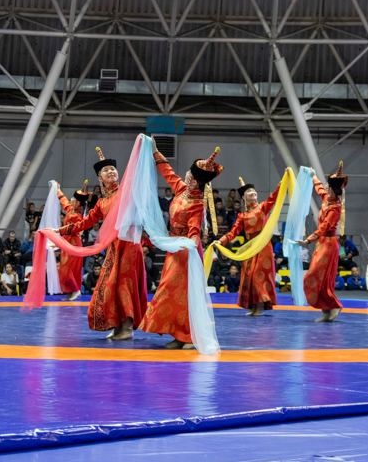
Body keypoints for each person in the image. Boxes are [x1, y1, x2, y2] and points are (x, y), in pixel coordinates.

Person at [138, 144, 222, 350]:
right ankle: (179, 334)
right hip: (174, 249)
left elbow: (194, 228)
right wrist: (155, 152)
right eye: (189, 173)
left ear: (196, 181)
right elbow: (167, 171)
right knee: (174, 293)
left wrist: (193, 241)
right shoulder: (181, 189)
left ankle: (189, 336)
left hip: (186, 251)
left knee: (180, 293)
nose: (187, 176)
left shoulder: (197, 203)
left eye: (191, 176)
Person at [58, 148, 147, 340]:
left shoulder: (126, 191)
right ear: (100, 178)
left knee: (124, 284)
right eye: (106, 170)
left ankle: (127, 327)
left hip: (129, 245)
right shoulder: (101, 203)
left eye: (113, 169)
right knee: (110, 285)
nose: (111, 171)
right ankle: (118, 324)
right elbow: (85, 223)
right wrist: (60, 231)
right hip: (114, 248)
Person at [214, 176, 283, 316]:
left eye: (253, 190)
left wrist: (280, 186)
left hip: (263, 246)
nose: (253, 192)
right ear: (244, 198)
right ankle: (253, 306)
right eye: (249, 191)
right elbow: (233, 232)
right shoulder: (242, 215)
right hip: (251, 247)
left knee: (259, 276)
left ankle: (259, 307)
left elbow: (273, 198)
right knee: (249, 276)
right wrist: (221, 241)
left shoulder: (263, 207)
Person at [299, 163, 346, 322]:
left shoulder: (335, 208)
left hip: (329, 244)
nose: (325, 187)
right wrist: (313, 176)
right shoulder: (327, 199)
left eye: (328, 186)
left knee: (317, 276)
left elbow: (324, 227)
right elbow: (319, 188)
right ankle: (326, 311)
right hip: (322, 243)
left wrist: (308, 240)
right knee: (320, 278)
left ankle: (334, 305)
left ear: (333, 190)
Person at [56, 181, 93, 301]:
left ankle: (76, 290)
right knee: (63, 268)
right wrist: (58, 190)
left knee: (69, 268)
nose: (70, 199)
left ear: (77, 202)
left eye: (73, 198)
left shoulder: (78, 216)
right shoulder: (70, 210)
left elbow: (73, 229)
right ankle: (69, 291)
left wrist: (59, 230)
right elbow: (64, 201)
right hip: (66, 242)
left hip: (73, 242)